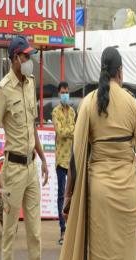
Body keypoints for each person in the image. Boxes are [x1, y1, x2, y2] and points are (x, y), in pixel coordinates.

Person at [52, 46, 136, 260]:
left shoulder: (89, 102)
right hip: (127, 192)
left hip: (98, 192)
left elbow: (75, 158)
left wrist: (69, 196)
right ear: (120, 71)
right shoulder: (132, 103)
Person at [0, 36, 49, 260]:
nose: (29, 61)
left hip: (31, 169)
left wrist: (43, 158)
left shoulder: (31, 84)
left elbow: (33, 127)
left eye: (29, 57)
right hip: (12, 171)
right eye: (25, 57)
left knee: (36, 236)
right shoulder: (3, 90)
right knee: (9, 236)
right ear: (14, 58)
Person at [52, 81, 75, 245]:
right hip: (61, 159)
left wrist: (70, 131)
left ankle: (72, 228)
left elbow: (74, 130)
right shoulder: (55, 112)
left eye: (67, 91)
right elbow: (60, 132)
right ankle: (62, 229)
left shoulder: (73, 111)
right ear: (59, 94)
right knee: (61, 194)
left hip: (72, 158)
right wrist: (71, 131)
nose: (65, 94)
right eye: (62, 92)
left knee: (72, 194)